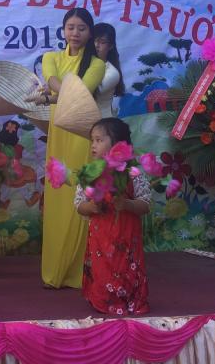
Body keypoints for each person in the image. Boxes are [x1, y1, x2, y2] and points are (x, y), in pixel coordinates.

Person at [33, 7, 106, 289]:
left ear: (90, 33)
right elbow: (54, 83)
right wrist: (52, 93)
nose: (75, 33)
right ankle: (55, 270)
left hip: (81, 134)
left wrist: (50, 95)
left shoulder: (97, 65)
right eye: (70, 27)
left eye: (81, 28)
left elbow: (78, 95)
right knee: (57, 197)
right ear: (63, 30)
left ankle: (79, 270)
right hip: (58, 133)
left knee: (78, 191)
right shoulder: (51, 57)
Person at [76, 118, 150, 316]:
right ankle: (103, 301)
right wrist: (91, 207)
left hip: (127, 238)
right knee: (102, 271)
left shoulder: (133, 173)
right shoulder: (89, 174)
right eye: (92, 140)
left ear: (117, 145)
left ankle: (131, 300)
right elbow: (79, 206)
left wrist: (127, 204)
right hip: (101, 241)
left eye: (99, 140)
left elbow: (145, 205)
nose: (93, 145)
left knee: (127, 268)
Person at [93, 23, 125, 117]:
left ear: (111, 46)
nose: (96, 45)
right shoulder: (83, 62)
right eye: (93, 40)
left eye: (102, 42)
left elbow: (85, 92)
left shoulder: (112, 73)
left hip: (101, 121)